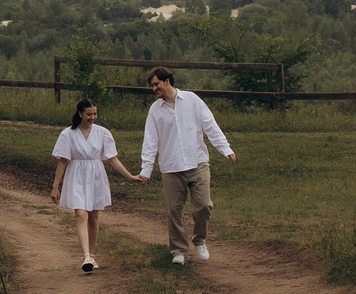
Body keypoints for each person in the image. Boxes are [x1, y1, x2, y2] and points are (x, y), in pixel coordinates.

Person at [139, 65, 233, 266]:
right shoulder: (155, 110)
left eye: (157, 84)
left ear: (167, 81)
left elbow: (210, 125)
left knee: (203, 206)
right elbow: (150, 141)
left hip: (197, 162)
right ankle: (179, 250)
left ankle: (200, 240)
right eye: (152, 86)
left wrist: (225, 149)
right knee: (174, 210)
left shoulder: (192, 100)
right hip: (171, 167)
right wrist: (146, 170)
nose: (154, 88)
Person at [49, 98, 141, 272]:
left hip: (96, 174)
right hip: (76, 174)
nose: (92, 117)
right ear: (80, 114)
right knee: (81, 215)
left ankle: (91, 255)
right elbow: (62, 161)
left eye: (95, 114)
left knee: (93, 217)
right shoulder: (67, 134)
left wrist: (130, 176)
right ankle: (86, 256)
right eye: (89, 114)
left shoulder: (102, 133)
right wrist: (55, 187)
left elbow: (112, 158)